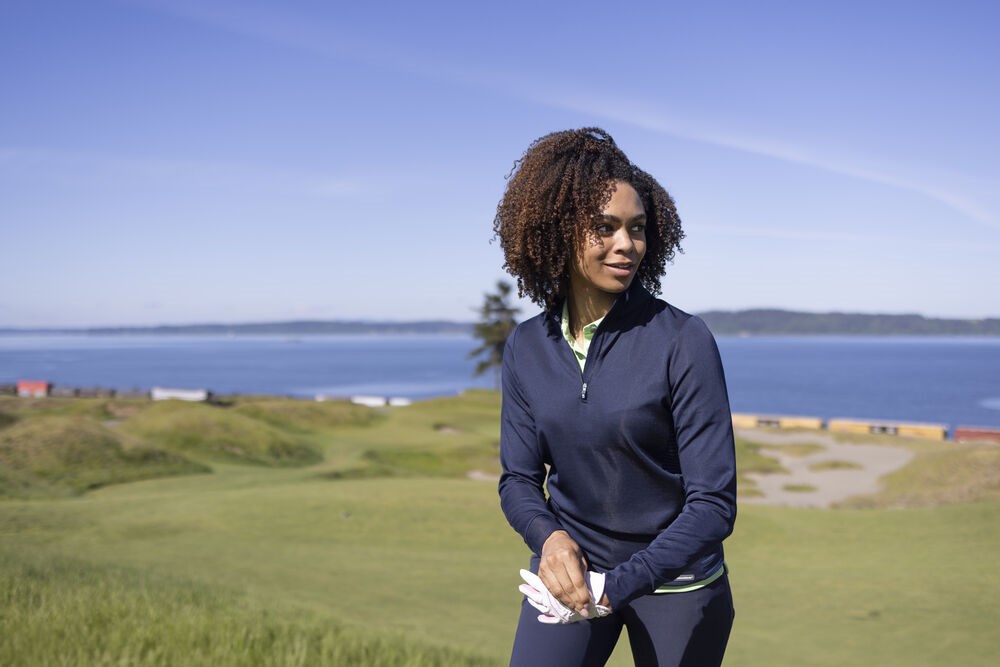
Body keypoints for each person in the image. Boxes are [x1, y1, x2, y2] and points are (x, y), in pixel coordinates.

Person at [494, 128, 737, 667]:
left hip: (677, 583)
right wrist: (550, 539)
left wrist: (617, 586)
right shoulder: (527, 346)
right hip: (573, 575)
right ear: (558, 233)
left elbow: (713, 505)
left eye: (637, 228)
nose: (626, 244)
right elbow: (518, 480)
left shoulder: (683, 339)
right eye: (604, 228)